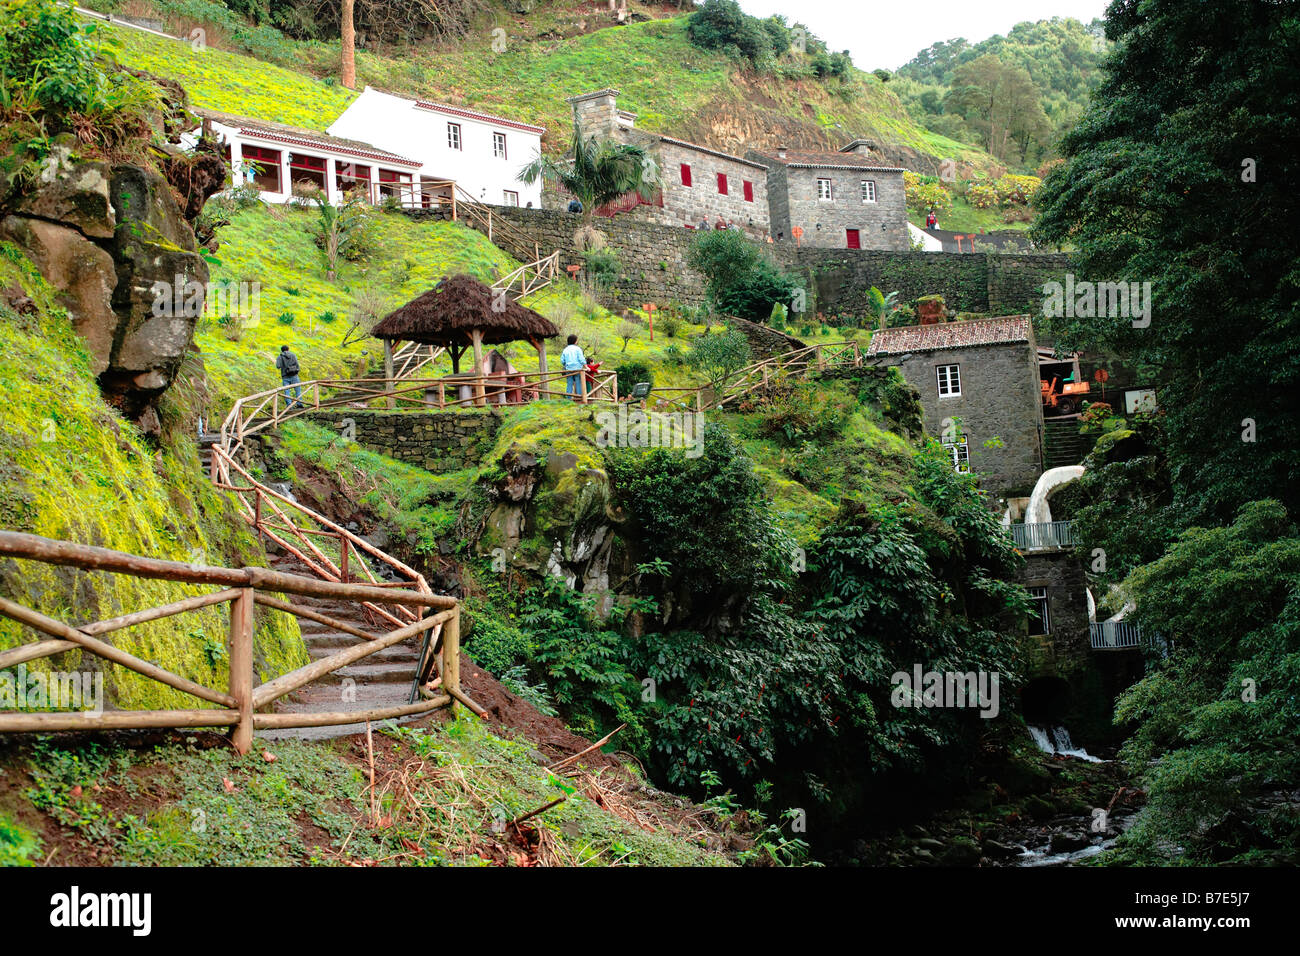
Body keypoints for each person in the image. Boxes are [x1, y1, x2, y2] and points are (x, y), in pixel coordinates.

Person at [560, 334, 587, 399]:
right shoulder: (578, 349)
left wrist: (566, 364)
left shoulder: (565, 349)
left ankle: (568, 398)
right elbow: (581, 359)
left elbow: (562, 361)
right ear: (575, 341)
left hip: (569, 369)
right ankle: (579, 398)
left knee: (569, 383)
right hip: (578, 369)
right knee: (578, 383)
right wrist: (586, 366)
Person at [276, 344, 303, 409]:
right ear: (288, 349)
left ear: (281, 350)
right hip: (294, 375)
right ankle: (299, 404)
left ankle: (289, 406)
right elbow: (297, 364)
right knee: (298, 390)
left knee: (287, 391)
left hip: (285, 376)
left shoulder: (280, 357)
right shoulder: (293, 355)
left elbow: (278, 366)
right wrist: (296, 371)